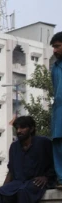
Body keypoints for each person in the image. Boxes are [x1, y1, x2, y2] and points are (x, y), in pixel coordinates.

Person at [51, 32, 62, 188]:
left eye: (57, 46)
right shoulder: (55, 67)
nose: (54, 50)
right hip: (59, 111)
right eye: (53, 47)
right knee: (58, 142)